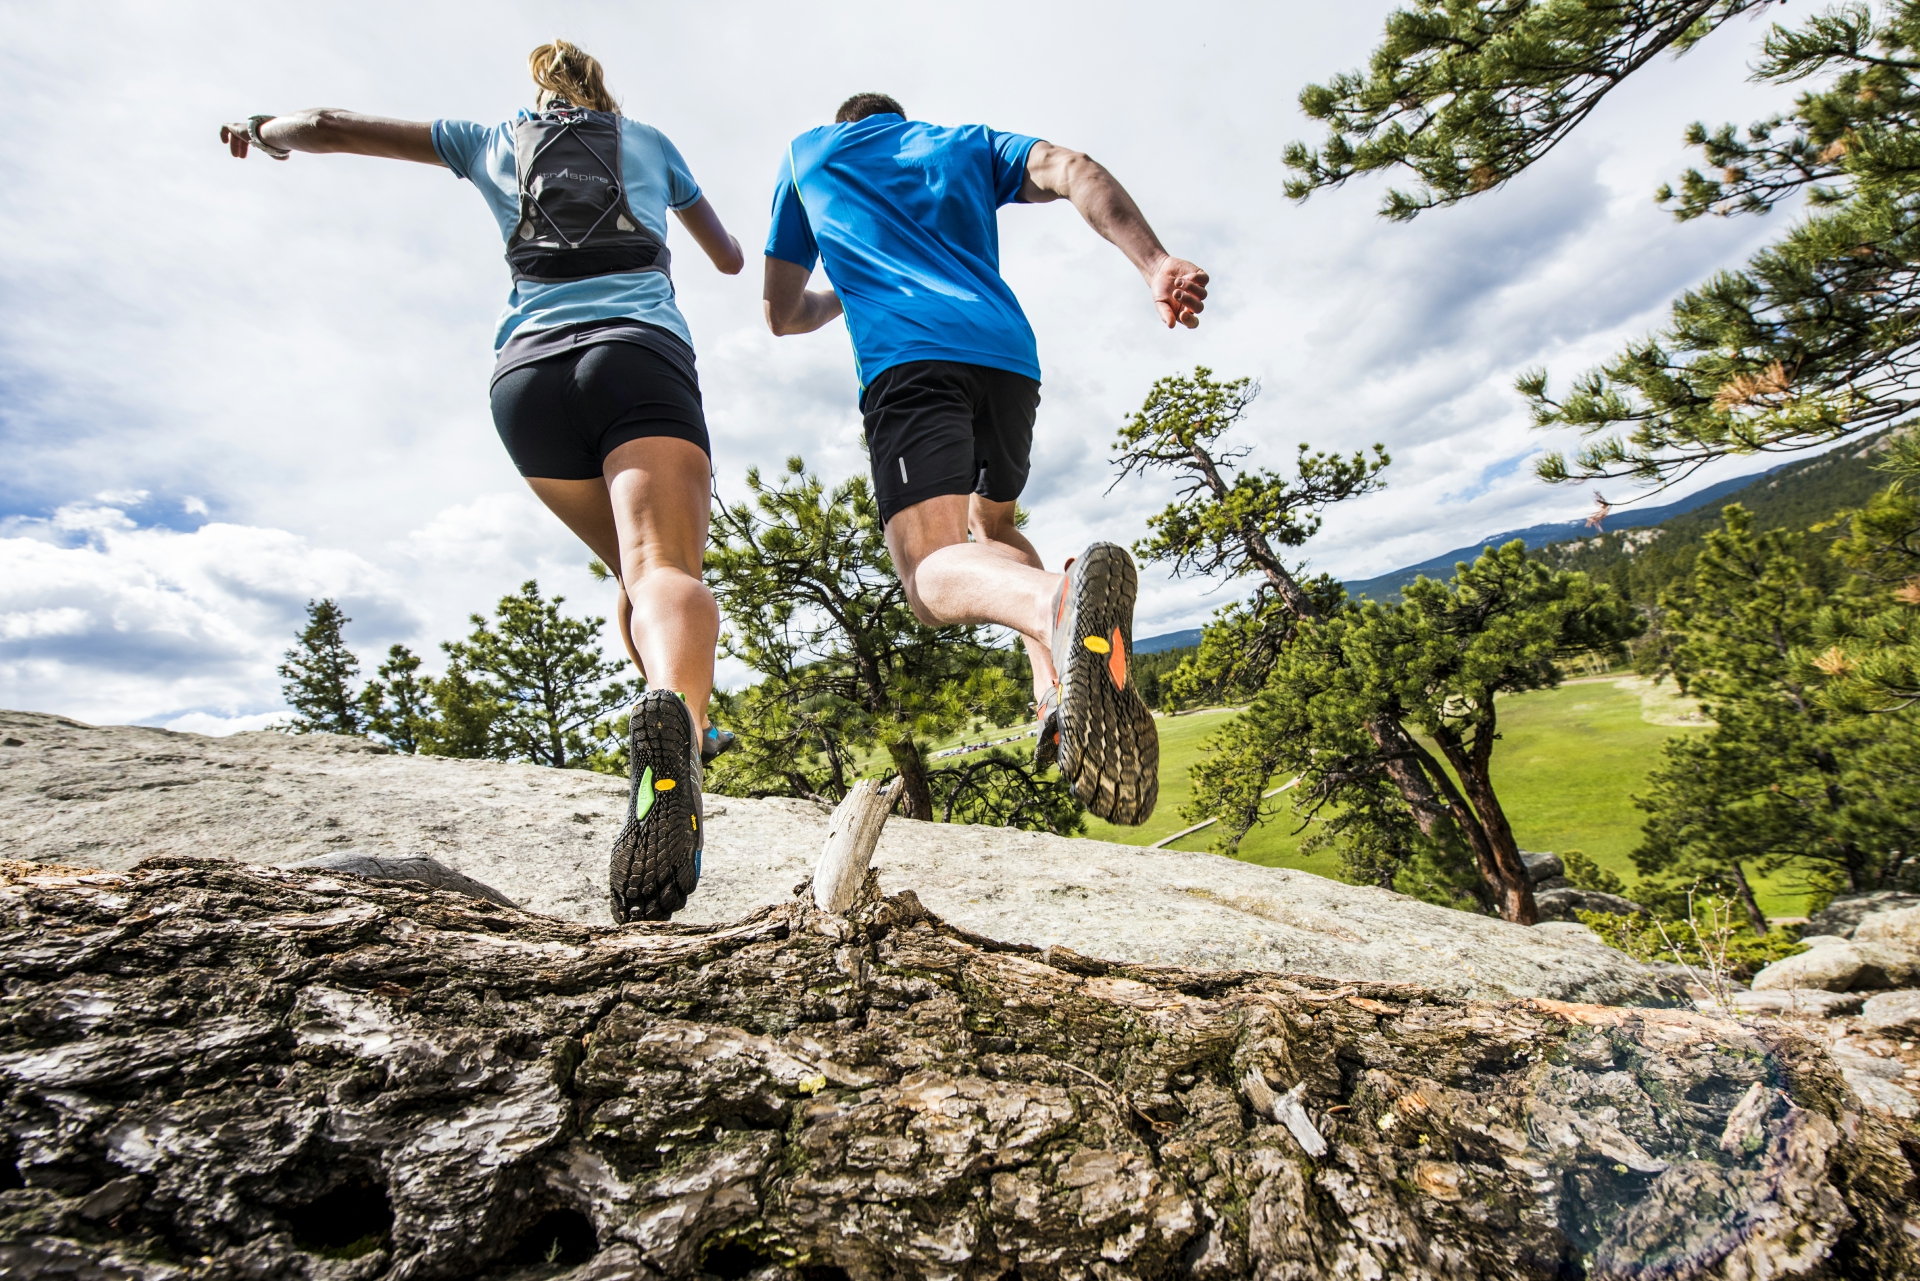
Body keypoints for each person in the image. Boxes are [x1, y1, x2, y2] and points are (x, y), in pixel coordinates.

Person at [220, 40, 738, 922]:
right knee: (662, 566)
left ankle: (680, 716)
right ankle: (679, 720)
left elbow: (332, 125)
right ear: (603, 94)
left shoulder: (488, 139)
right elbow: (726, 256)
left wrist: (264, 130)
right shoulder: (649, 142)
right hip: (636, 354)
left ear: (538, 94)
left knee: (629, 568)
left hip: (526, 380)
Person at [762, 93, 1209, 825]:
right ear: (899, 119)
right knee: (992, 525)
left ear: (846, 124)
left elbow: (783, 314)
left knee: (927, 573)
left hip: (911, 362)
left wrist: (849, 281)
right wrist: (1155, 262)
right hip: (1008, 362)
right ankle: (1055, 688)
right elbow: (1073, 168)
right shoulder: (966, 142)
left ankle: (1057, 602)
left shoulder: (808, 153)